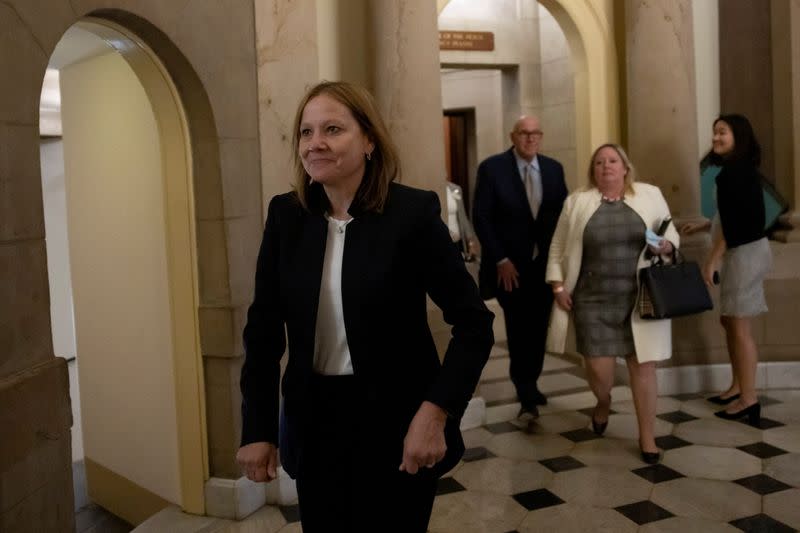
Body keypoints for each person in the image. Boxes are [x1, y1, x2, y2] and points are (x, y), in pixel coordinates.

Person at [236, 81, 494, 532]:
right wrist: (257, 428)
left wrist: (435, 413)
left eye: (333, 129)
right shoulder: (287, 217)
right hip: (315, 423)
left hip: (398, 422)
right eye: (306, 131)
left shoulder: (411, 214)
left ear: (369, 140)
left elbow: (474, 323)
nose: (315, 143)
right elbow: (262, 333)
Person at [545, 143, 679, 464]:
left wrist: (666, 246)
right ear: (593, 171)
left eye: (613, 161)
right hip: (591, 300)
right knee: (599, 372)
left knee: (643, 367)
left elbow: (671, 236)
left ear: (625, 167)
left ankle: (647, 437)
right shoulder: (577, 202)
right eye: (599, 162)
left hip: (641, 298)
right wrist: (558, 285)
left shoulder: (649, 196)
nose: (606, 166)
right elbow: (557, 247)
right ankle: (603, 401)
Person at [472, 116, 567, 421]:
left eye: (535, 133)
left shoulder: (553, 169)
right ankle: (524, 388)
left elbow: (562, 219)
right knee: (518, 327)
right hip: (508, 269)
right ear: (513, 136)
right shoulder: (492, 168)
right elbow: (482, 217)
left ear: (541, 137)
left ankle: (532, 381)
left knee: (539, 327)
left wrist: (560, 262)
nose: (530, 138)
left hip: (544, 267)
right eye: (524, 133)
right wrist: (500, 259)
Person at [700, 114, 771, 425]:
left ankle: (749, 398)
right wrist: (703, 225)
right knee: (729, 321)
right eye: (715, 132)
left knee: (739, 329)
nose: (716, 138)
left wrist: (712, 260)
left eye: (722, 132)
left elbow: (735, 224)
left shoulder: (734, 174)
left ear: (738, 137)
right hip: (744, 251)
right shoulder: (736, 171)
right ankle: (737, 386)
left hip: (744, 254)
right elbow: (731, 214)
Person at [446, 181, 479, 262]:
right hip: (443, 240)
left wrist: (470, 242)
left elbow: (463, 216)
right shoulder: (433, 189)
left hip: (457, 240)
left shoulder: (455, 189)